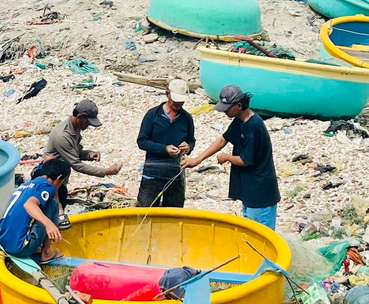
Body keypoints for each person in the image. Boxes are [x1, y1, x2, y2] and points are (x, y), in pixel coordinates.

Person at [181, 85, 280, 229]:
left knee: (260, 232)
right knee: (249, 229)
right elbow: (223, 139)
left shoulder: (255, 126)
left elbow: (245, 160)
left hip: (260, 192)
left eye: (227, 107)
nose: (224, 111)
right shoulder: (240, 121)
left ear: (239, 105)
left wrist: (226, 157)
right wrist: (197, 160)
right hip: (248, 188)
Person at [40, 100, 123, 228]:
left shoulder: (74, 128)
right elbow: (76, 165)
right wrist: (106, 172)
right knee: (52, 211)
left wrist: (88, 154)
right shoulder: (62, 135)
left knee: (58, 208)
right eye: (88, 122)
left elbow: (74, 152)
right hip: (52, 179)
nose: (89, 125)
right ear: (80, 117)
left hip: (61, 177)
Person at [0, 158, 70, 263]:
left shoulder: (26, 185)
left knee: (43, 205)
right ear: (59, 177)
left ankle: (34, 245)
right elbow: (29, 205)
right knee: (52, 204)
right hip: (19, 248)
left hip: (3, 241)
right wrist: (48, 223)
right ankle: (46, 252)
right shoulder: (48, 187)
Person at [136, 79, 195, 208]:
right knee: (146, 211)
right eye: (176, 100)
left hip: (175, 174)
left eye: (181, 101)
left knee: (173, 212)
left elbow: (191, 140)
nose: (178, 103)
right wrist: (164, 149)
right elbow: (142, 141)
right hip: (152, 173)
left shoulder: (186, 118)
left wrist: (188, 147)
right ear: (167, 94)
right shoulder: (153, 115)